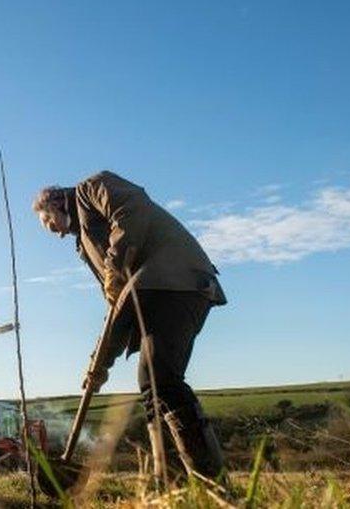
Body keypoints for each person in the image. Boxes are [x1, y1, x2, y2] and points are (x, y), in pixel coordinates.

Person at [33, 171, 227, 480]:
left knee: (161, 380)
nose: (54, 233)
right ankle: (172, 487)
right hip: (155, 291)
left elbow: (132, 208)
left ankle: (213, 485)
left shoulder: (90, 188)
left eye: (47, 222)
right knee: (153, 386)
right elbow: (117, 307)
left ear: (54, 202)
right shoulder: (87, 243)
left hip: (176, 281)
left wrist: (114, 266)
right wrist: (99, 364)